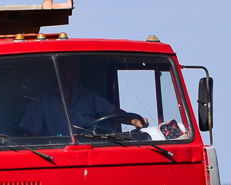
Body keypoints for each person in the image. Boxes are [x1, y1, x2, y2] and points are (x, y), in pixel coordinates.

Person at [19, 57, 147, 137]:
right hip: (57, 156)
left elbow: (112, 112)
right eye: (71, 69)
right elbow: (32, 135)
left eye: (77, 69)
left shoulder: (89, 96)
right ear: (59, 71)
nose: (75, 73)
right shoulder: (42, 101)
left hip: (90, 150)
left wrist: (133, 120)